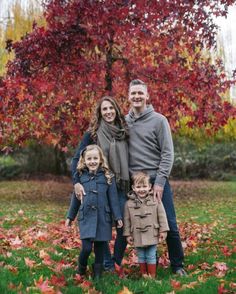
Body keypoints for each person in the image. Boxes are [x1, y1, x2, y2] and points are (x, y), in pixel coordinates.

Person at [126, 79, 187, 276]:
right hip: (134, 183)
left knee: (168, 222)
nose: (137, 96)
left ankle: (178, 265)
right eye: (133, 93)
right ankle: (134, 263)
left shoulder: (159, 120)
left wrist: (160, 182)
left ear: (147, 96)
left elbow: (167, 154)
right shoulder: (124, 122)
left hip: (156, 180)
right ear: (128, 97)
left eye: (140, 93)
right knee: (133, 222)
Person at [71, 96, 129, 273]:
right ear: (100, 112)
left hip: (121, 184)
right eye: (104, 109)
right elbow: (76, 159)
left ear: (117, 110)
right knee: (100, 226)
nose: (108, 112)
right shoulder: (93, 134)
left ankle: (114, 261)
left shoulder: (124, 131)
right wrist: (77, 182)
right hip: (99, 185)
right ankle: (106, 263)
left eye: (111, 108)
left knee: (123, 226)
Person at [65, 145, 123, 279]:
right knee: (86, 247)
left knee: (100, 247)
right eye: (89, 158)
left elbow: (113, 199)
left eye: (95, 158)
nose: (92, 161)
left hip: (103, 217)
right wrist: (70, 217)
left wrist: (118, 217)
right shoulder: (80, 178)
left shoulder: (108, 177)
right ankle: (81, 267)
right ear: (84, 160)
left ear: (101, 160)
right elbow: (76, 199)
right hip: (86, 217)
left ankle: (98, 273)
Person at [123, 172, 169, 278]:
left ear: (150, 187)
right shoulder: (128, 203)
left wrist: (163, 230)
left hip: (152, 232)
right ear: (133, 188)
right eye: (138, 187)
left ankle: (151, 276)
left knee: (151, 255)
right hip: (137, 234)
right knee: (141, 256)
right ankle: (144, 275)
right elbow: (127, 220)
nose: (142, 189)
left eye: (144, 186)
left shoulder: (155, 200)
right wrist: (127, 234)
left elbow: (162, 216)